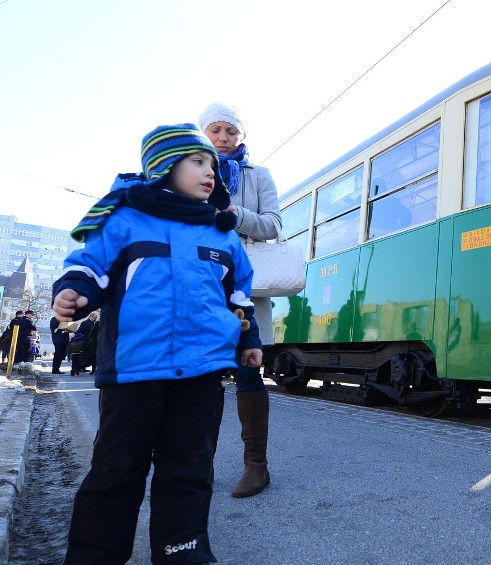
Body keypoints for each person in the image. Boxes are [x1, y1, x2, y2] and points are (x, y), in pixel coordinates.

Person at [53, 123, 262, 564]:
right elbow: (92, 269)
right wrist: (75, 292)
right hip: (134, 371)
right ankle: (95, 555)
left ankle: (182, 551)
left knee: (189, 467)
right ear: (165, 166)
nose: (212, 173)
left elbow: (238, 295)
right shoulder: (124, 220)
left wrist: (248, 341)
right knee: (116, 469)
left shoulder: (221, 233)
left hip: (201, 373)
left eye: (213, 166)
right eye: (198, 162)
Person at [199, 102, 282, 498]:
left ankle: (256, 467)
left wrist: (235, 213)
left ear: (240, 136)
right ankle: (201, 464)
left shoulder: (258, 175)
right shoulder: (191, 172)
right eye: (215, 130)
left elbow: (273, 225)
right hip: (202, 288)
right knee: (205, 377)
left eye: (230, 131)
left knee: (249, 371)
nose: (223, 138)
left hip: (243, 288)